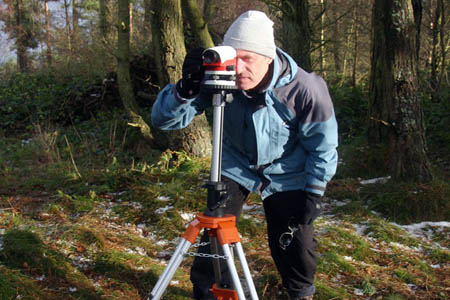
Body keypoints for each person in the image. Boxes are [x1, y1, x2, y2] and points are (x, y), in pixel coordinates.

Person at [151, 10, 338, 300]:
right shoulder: (220, 78)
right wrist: (185, 88)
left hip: (288, 170)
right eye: (233, 57)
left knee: (295, 243)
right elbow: (165, 120)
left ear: (268, 57)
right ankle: (212, 292)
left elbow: (323, 145)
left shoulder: (304, 89)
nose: (237, 69)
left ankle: (301, 293)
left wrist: (314, 192)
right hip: (235, 165)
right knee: (214, 233)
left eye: (247, 59)